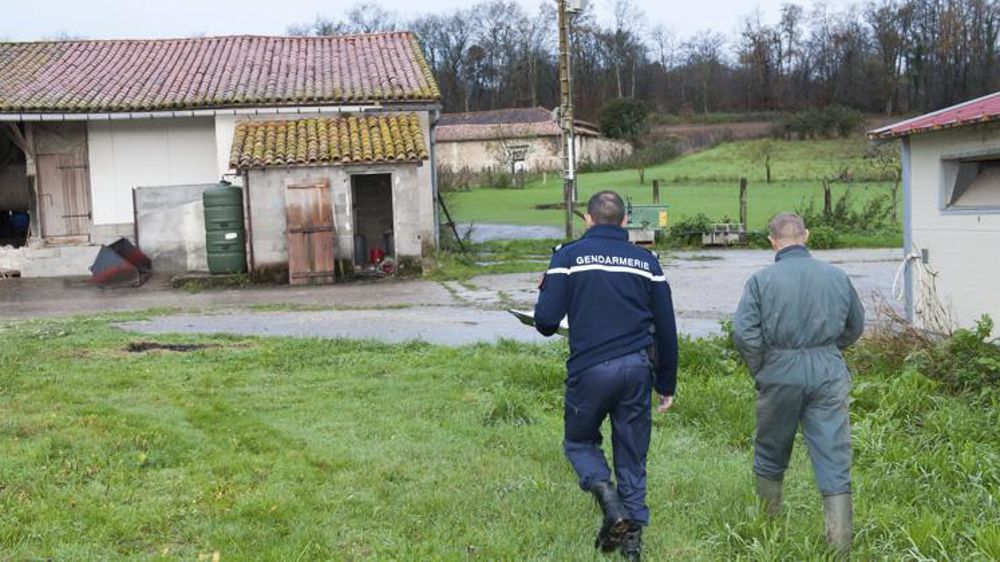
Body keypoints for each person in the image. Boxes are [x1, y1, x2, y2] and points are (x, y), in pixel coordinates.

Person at [534, 190, 678, 561]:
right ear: (626, 222)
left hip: (590, 370)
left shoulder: (567, 257)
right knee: (632, 455)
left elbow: (546, 323)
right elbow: (666, 327)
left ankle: (609, 502)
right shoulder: (647, 262)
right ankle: (632, 546)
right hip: (636, 371)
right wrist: (666, 383)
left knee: (580, 444)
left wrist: (549, 285)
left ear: (588, 220)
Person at [732, 213, 865, 556]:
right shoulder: (836, 276)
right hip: (827, 369)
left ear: (772, 240)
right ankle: (840, 548)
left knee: (771, 451)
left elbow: (744, 333)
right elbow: (856, 325)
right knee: (834, 453)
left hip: (779, 368)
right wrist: (829, 352)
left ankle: (769, 533)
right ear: (806, 235)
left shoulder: (761, 280)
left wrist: (762, 367)